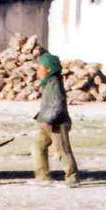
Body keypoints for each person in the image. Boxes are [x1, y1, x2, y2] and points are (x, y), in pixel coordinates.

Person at [32, 49, 80, 185]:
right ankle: (42, 177)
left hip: (56, 123)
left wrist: (49, 119)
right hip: (46, 122)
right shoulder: (48, 82)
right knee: (38, 146)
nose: (37, 71)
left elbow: (57, 105)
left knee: (62, 150)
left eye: (39, 68)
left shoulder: (55, 84)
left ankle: (72, 177)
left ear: (48, 69)